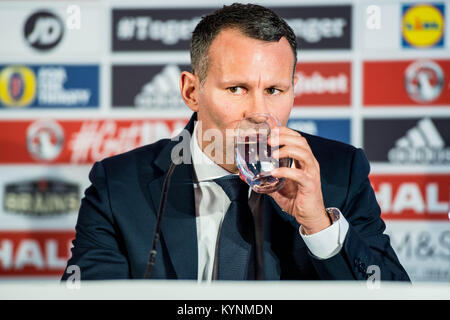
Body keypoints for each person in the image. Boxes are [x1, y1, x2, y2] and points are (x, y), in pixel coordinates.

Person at [61, 3, 410, 281]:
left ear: (293, 92)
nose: (258, 112)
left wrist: (319, 224)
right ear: (191, 91)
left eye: (274, 90)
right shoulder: (119, 185)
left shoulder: (339, 172)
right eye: (236, 89)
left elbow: (392, 294)